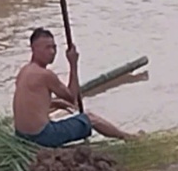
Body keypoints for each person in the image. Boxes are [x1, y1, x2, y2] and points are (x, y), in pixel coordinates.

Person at [12, 27, 141, 148]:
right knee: (90, 118)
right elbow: (72, 97)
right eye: (47, 48)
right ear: (34, 49)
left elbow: (33, 103)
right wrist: (73, 64)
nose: (52, 52)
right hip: (42, 137)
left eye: (54, 47)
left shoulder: (24, 71)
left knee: (58, 115)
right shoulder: (45, 75)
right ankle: (128, 138)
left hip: (21, 136)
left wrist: (57, 103)